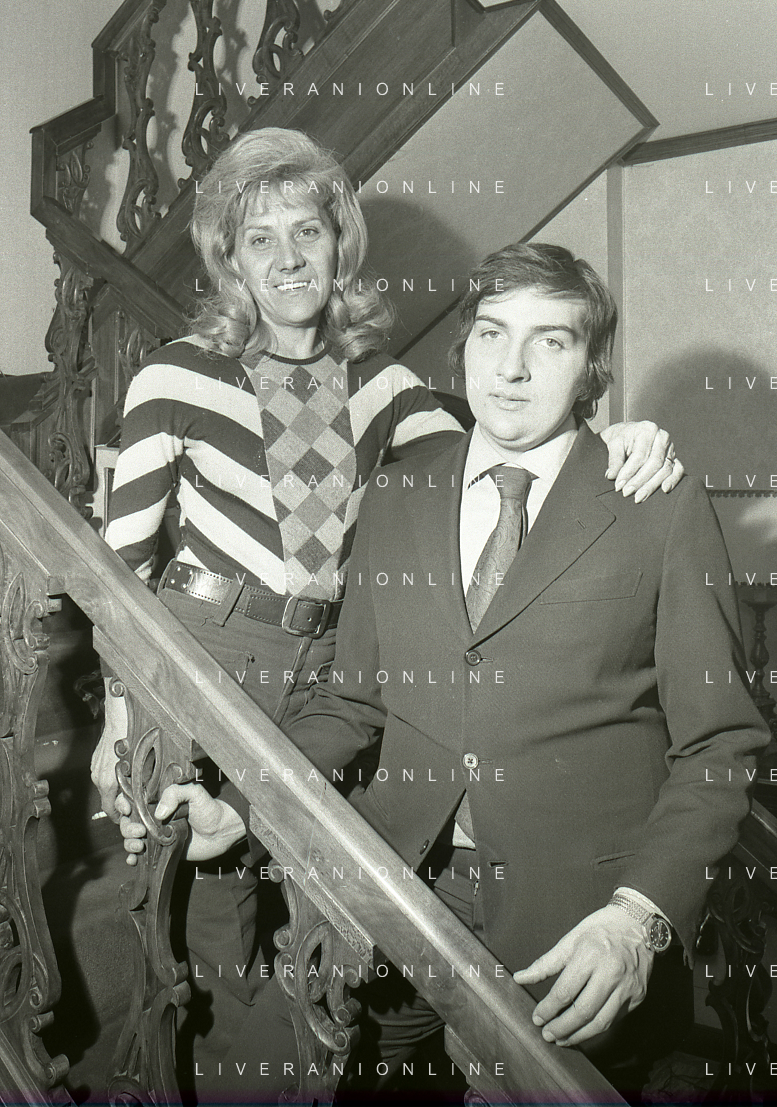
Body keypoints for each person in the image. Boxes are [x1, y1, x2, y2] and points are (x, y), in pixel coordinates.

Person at [93, 126, 683, 1078]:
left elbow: (507, 458)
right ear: (229, 260)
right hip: (202, 654)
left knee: (305, 927)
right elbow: (117, 568)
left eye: (308, 231)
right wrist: (117, 721)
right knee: (210, 926)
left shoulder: (391, 386)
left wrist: (620, 438)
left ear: (341, 242)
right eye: (258, 239)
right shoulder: (174, 373)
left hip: (331, 672)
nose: (288, 259)